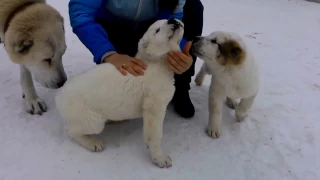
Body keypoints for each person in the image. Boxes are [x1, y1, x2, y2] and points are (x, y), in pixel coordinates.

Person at [68, 0, 204, 118]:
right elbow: (81, 12)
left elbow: (174, 17)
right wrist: (109, 54)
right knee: (120, 84)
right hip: (112, 26)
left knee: (193, 6)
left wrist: (179, 54)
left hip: (151, 28)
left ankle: (180, 85)